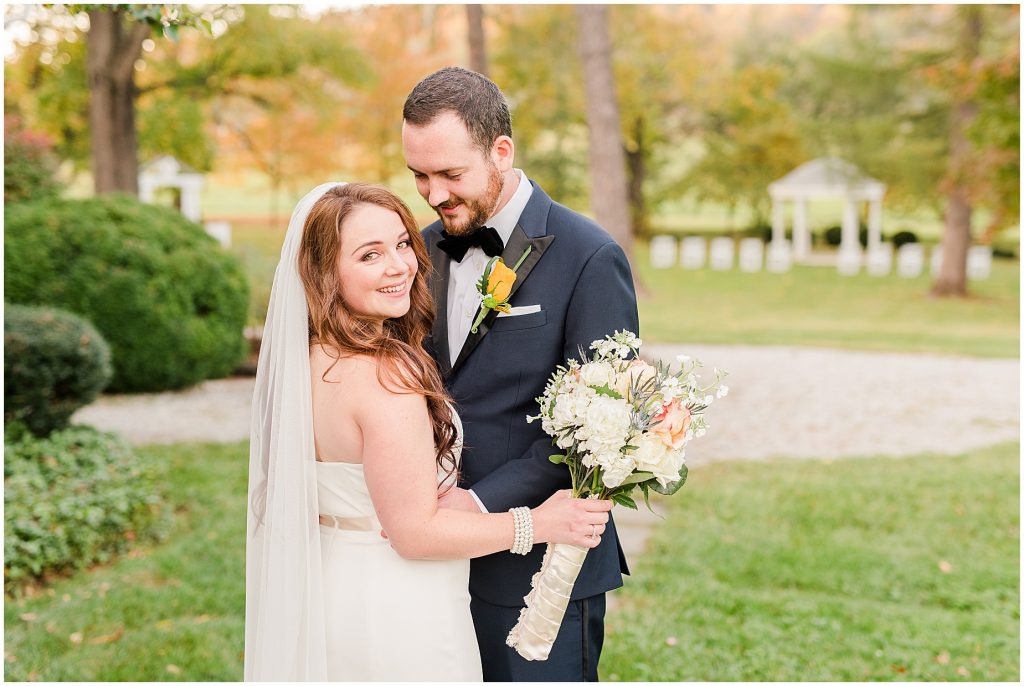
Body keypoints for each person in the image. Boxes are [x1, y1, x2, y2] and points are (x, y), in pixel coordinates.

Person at [244, 181, 614, 681]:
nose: (399, 265)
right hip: (397, 604)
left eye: (401, 243)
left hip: (327, 586)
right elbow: (415, 534)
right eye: (369, 255)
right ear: (324, 271)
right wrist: (541, 524)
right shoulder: (384, 375)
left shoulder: (308, 359)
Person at [402, 67, 641, 681]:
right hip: (428, 561)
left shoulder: (590, 256)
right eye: (420, 176)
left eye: (450, 175)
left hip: (539, 568)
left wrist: (477, 503)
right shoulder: (418, 250)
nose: (433, 194)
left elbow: (596, 433)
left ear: (501, 152)